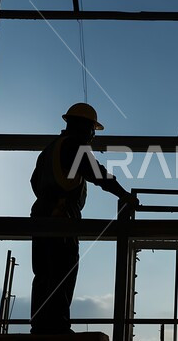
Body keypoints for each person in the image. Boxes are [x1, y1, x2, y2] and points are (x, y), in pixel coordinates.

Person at [29, 102, 139, 334]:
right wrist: (125, 195)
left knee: (43, 274)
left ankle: (40, 326)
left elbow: (34, 182)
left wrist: (48, 200)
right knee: (62, 271)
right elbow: (98, 175)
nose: (92, 137)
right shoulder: (74, 147)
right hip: (62, 218)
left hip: (39, 216)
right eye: (91, 130)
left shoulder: (49, 149)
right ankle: (57, 327)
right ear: (83, 127)